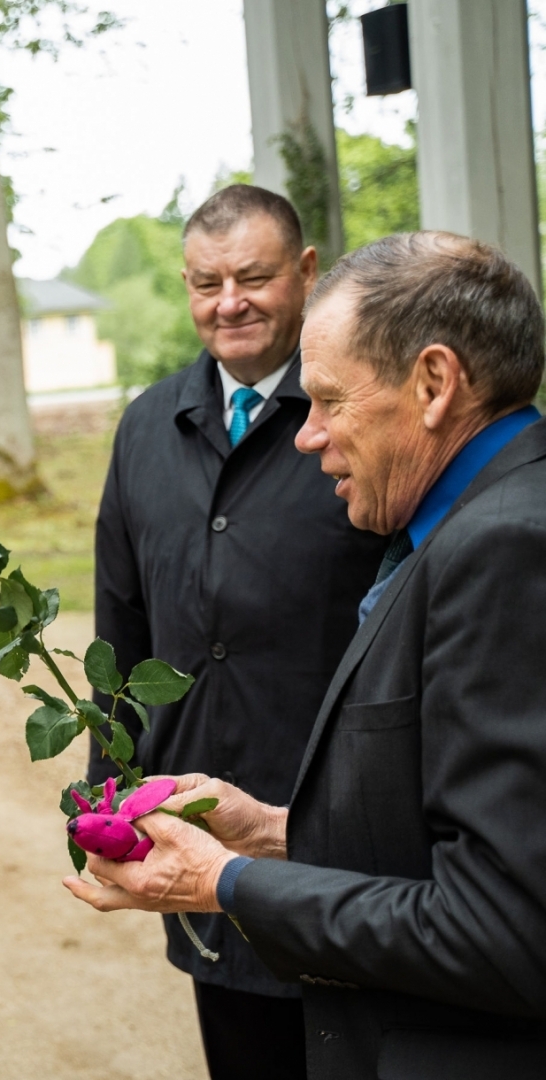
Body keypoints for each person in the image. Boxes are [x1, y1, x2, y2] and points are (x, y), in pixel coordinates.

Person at [66, 232, 546, 1078]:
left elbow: (503, 931)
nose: (305, 435)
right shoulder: (478, 522)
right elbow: (451, 843)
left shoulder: (507, 548)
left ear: (434, 383)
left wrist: (226, 884)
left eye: (328, 401)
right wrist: (274, 833)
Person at [88, 184, 385, 1079]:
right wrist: (107, 791)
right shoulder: (146, 425)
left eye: (253, 278)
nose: (229, 304)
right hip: (197, 818)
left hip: (337, 822)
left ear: (304, 273)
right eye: (206, 283)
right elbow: (121, 620)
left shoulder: (363, 414)